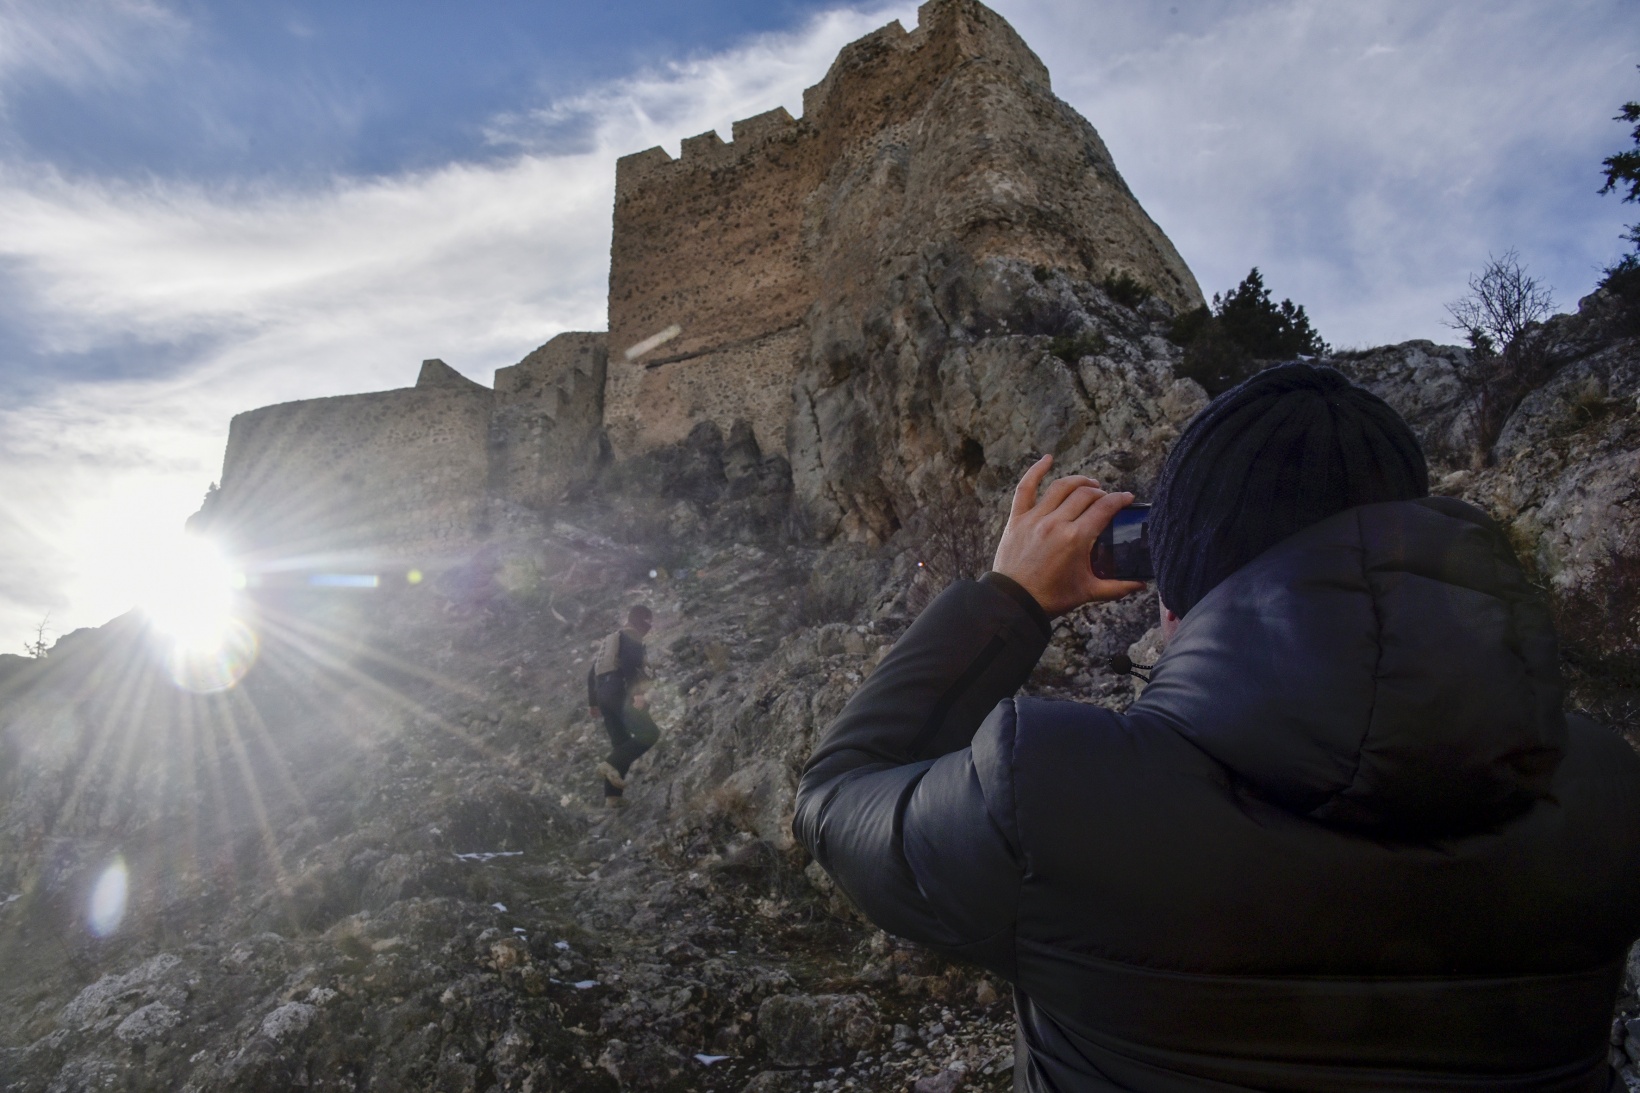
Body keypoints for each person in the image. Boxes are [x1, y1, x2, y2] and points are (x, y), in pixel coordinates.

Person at [794, 364, 1640, 1091]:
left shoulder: (1058, 798)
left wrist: (1009, 598)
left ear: (1175, 590)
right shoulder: (1606, 794)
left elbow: (837, 798)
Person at [587, 604, 657, 807]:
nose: (649, 627)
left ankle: (613, 798)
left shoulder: (611, 641)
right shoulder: (631, 637)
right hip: (620, 693)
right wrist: (638, 695)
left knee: (621, 743)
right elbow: (629, 666)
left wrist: (593, 703)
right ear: (641, 620)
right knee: (650, 733)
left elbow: (592, 673)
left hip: (603, 696)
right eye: (648, 622)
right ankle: (609, 764)